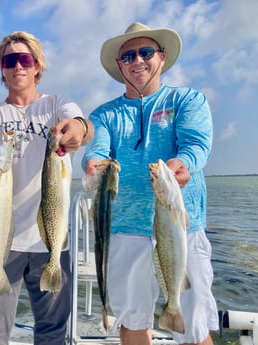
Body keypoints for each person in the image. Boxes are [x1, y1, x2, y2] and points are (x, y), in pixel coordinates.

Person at [82, 22, 218, 345]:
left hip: (182, 227)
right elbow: (97, 148)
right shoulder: (104, 115)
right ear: (119, 65)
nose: (137, 60)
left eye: (145, 52)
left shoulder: (187, 99)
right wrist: (92, 163)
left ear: (162, 56)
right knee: (132, 320)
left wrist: (181, 164)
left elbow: (196, 144)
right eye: (128, 55)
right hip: (127, 228)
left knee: (194, 327)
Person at [0, 31, 93, 345]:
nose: (18, 66)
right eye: (10, 61)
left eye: (25, 59)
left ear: (37, 66)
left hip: (52, 242)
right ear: (2, 69)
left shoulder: (56, 104)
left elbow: (82, 127)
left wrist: (78, 129)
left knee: (52, 334)